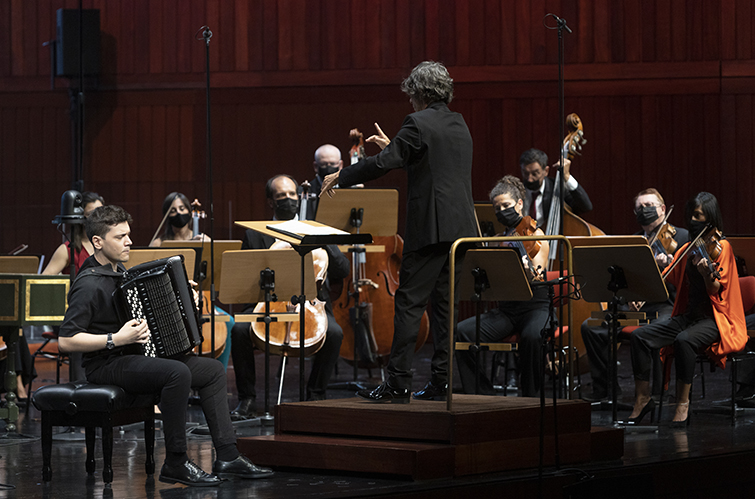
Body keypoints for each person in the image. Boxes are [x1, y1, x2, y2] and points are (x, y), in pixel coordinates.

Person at [58, 205, 273, 486]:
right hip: (106, 364)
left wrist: (186, 300)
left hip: (132, 357)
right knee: (177, 373)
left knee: (210, 370)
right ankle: (175, 460)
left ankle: (228, 456)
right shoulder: (89, 284)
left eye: (128, 235)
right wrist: (115, 339)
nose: (129, 242)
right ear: (98, 242)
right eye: (120, 236)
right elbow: (66, 340)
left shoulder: (118, 272)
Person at [321, 61, 478, 403]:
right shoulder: (458, 123)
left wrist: (342, 176)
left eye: (411, 95)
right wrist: (395, 143)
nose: (409, 102)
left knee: (408, 304)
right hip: (462, 230)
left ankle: (397, 384)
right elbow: (430, 161)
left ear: (419, 93)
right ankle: (441, 382)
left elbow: (382, 163)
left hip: (430, 229)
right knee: (445, 309)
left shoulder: (417, 123)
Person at [229, 174, 349, 418]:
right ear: (271, 202)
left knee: (334, 333)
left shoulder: (315, 228)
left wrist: (323, 241)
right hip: (268, 304)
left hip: (310, 305)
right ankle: (247, 399)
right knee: (239, 330)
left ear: (299, 196)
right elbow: (246, 278)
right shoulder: (255, 234)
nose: (288, 199)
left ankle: (316, 394)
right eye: (281, 196)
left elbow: (342, 269)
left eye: (292, 194)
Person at [627, 192, 746, 425]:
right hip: (688, 316)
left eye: (698, 215)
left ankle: (682, 404)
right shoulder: (687, 249)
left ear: (710, 217)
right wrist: (652, 275)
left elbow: (715, 290)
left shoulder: (723, 247)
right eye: (691, 214)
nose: (692, 219)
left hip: (715, 319)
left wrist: (705, 274)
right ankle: (642, 399)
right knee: (640, 336)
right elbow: (666, 279)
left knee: (684, 340)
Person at [581, 188, 689, 401]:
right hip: (634, 307)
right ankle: (606, 391)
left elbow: (687, 280)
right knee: (590, 328)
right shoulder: (634, 241)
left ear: (663, 209)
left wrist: (669, 263)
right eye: (640, 207)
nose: (644, 210)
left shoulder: (682, 236)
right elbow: (623, 280)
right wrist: (629, 297)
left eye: (649, 206)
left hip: (666, 305)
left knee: (652, 331)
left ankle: (656, 394)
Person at [455, 176, 551, 397]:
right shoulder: (498, 239)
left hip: (535, 306)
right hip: (508, 309)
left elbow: (537, 273)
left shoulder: (536, 234)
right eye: (497, 208)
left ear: (519, 204)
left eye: (506, 205)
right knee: (463, 332)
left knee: (532, 336)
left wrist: (526, 268)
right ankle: (482, 394)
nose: (501, 211)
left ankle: (530, 397)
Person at [149, 192, 230, 369]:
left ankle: (219, 375)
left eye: (182, 208)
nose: (179, 213)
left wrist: (206, 245)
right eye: (173, 210)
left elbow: (217, 275)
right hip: (170, 302)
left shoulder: (203, 239)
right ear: (166, 216)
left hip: (200, 299)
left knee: (228, 321)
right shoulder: (159, 243)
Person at [519, 148, 592, 229]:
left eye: (535, 173)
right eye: (525, 173)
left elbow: (585, 206)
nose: (529, 179)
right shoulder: (515, 191)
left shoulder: (556, 188)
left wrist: (567, 176)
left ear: (546, 171)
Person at [42, 191, 105, 275]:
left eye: (101, 213)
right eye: (92, 214)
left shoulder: (108, 244)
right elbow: (43, 280)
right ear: (81, 217)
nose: (99, 218)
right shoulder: (66, 250)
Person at [306, 144, 344, 218]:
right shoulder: (305, 191)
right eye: (324, 164)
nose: (329, 168)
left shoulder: (350, 189)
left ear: (340, 165)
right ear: (316, 166)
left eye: (333, 164)